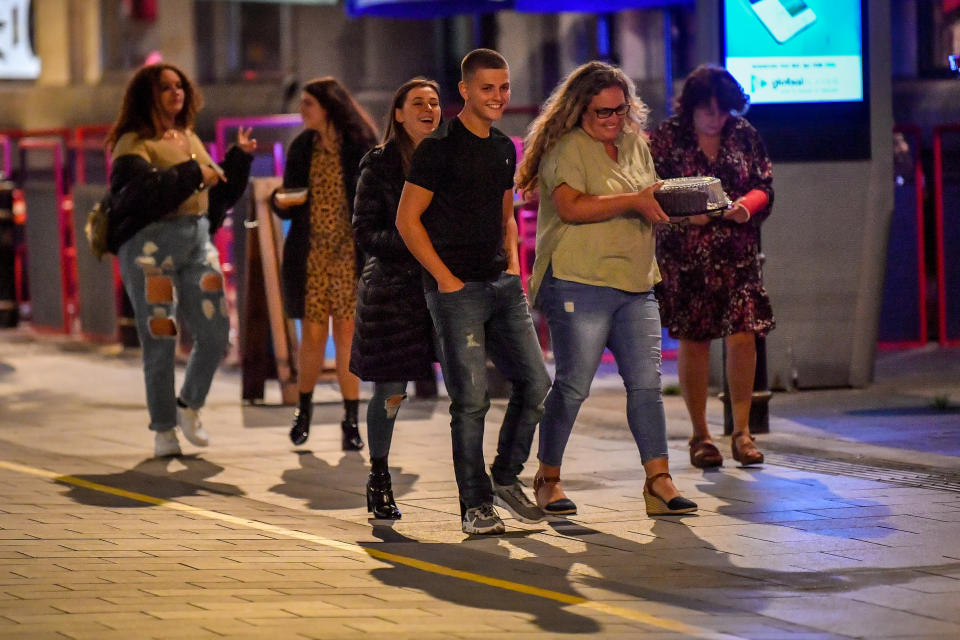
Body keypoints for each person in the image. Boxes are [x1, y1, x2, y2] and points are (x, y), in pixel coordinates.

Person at [516, 61, 697, 517]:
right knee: (574, 385)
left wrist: (685, 204)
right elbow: (571, 207)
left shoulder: (636, 146)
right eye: (602, 113)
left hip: (636, 282)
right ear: (580, 111)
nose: (614, 120)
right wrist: (635, 199)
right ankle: (548, 477)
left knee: (646, 384)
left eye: (620, 110)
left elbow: (648, 196)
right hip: (579, 280)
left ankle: (659, 480)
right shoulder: (567, 149)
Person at [396, 49, 551, 535]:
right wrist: (444, 279)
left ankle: (504, 477)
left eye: (504, 88)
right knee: (471, 400)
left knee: (536, 384)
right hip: (456, 289)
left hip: (501, 284)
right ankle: (475, 505)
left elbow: (507, 214)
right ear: (464, 90)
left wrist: (514, 268)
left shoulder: (505, 146)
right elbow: (407, 220)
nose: (499, 97)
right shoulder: (438, 147)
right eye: (488, 88)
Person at [105, 63, 255, 457]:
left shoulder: (189, 136)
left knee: (216, 333)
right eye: (166, 88)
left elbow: (216, 193)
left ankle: (189, 404)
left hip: (196, 242)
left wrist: (237, 161)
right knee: (160, 339)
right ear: (147, 96)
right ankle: (164, 429)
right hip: (149, 251)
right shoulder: (132, 144)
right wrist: (194, 173)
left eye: (180, 86)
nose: (177, 93)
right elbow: (139, 195)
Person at [649, 64, 774, 469]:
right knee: (696, 339)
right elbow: (651, 192)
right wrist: (687, 216)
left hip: (737, 251)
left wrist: (747, 206)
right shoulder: (668, 137)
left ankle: (742, 430)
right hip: (687, 256)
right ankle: (700, 434)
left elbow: (764, 185)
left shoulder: (744, 133)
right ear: (691, 108)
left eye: (722, 112)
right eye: (708, 111)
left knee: (744, 335)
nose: (715, 119)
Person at [350, 78, 442, 520]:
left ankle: (479, 485)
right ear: (399, 114)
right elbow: (365, 232)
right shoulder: (380, 163)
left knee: (469, 388)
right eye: (418, 103)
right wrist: (417, 241)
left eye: (435, 102)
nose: (429, 109)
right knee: (390, 391)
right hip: (392, 292)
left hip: (446, 288)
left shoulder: (451, 157)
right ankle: (379, 476)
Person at [272, 77, 378, 451]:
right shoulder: (302, 147)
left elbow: (375, 200)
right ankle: (304, 410)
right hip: (311, 254)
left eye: (307, 104)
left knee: (347, 336)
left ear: (328, 107)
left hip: (349, 256)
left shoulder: (360, 146)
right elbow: (288, 193)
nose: (302, 111)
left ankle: (351, 420)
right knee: (313, 336)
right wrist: (279, 201)